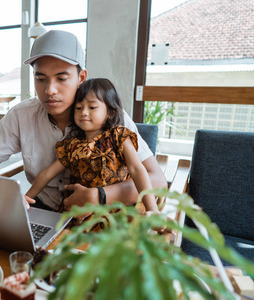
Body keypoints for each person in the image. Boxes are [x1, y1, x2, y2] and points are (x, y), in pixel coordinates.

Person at [0, 30, 167, 222]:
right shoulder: (21, 115)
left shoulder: (109, 116)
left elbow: (157, 180)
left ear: (81, 77)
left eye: (62, 78)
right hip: (44, 210)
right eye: (40, 79)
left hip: (105, 216)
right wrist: (4, 193)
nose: (50, 90)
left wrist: (100, 196)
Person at [25, 78, 159, 214]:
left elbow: (137, 170)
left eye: (92, 107)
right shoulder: (72, 145)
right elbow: (47, 174)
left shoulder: (120, 137)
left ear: (111, 112)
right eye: (78, 108)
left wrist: (152, 209)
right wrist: (26, 197)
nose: (83, 112)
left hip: (113, 214)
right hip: (77, 213)